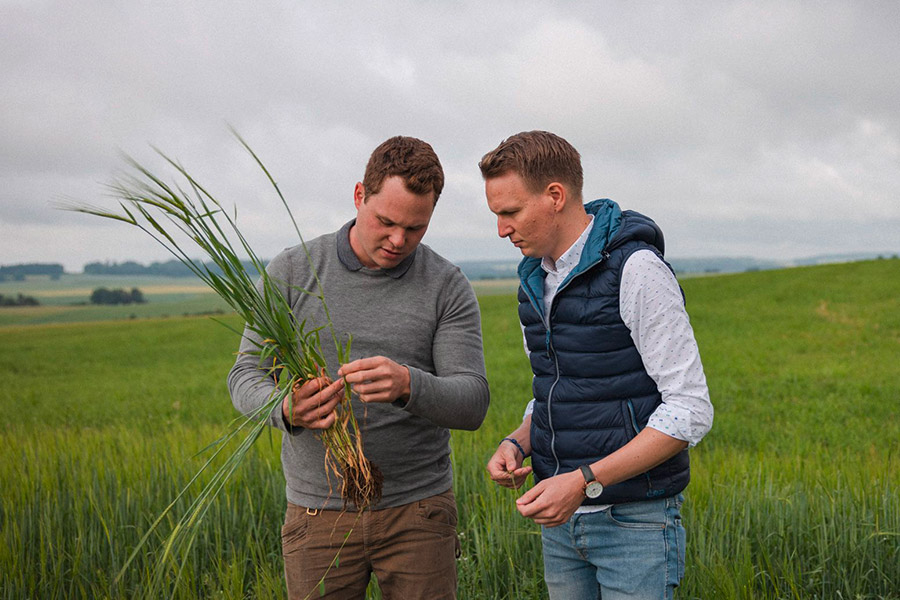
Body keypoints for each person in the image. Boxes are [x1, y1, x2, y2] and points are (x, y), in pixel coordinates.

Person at [228, 136, 490, 599]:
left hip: (419, 513)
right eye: (385, 222)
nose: (397, 240)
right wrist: (288, 408)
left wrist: (409, 384)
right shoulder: (291, 272)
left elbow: (471, 403)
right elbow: (245, 378)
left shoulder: (447, 285)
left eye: (415, 228)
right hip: (317, 514)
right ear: (358, 196)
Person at [481, 131, 713, 599]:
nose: (502, 229)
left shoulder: (637, 270)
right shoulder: (533, 280)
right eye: (497, 216)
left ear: (555, 196)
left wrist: (584, 479)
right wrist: (517, 441)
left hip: (635, 522)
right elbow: (560, 388)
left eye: (510, 212)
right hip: (560, 524)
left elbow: (689, 409)